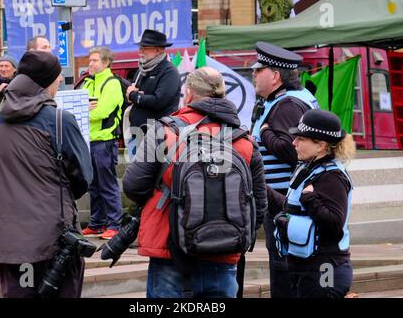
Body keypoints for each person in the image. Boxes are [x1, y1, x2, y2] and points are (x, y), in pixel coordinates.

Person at [123, 67, 267, 298]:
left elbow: (133, 185)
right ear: (222, 94)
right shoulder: (244, 140)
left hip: (169, 245)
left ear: (188, 94)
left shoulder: (165, 132)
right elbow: (259, 203)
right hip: (224, 247)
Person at [0, 51, 93, 298]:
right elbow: (83, 177)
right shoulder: (59, 121)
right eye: (57, 79)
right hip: (53, 236)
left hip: (10, 236)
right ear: (48, 82)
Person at [250, 41, 319, 298]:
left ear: (276, 76)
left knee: (284, 273)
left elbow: (297, 154)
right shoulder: (286, 101)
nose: (253, 74)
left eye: (259, 70)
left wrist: (265, 134)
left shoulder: (288, 105)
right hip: (283, 202)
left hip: (282, 203)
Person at [268, 109, 355, 298]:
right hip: (305, 268)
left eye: (300, 138)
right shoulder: (310, 168)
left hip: (325, 269)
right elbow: (292, 208)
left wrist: (310, 199)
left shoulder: (331, 177)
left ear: (320, 145)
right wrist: (261, 189)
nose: (294, 143)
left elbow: (333, 224)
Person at [80, 47, 123, 240]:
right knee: (93, 185)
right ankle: (97, 223)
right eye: (89, 60)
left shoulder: (112, 83)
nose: (90, 64)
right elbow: (77, 104)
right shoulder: (88, 82)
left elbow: (102, 111)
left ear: (105, 63)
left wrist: (83, 111)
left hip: (105, 141)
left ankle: (115, 224)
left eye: (95, 61)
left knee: (107, 184)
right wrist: (84, 108)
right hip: (89, 141)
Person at [125, 29, 181, 156]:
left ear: (158, 50)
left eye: (145, 48)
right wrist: (133, 96)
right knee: (135, 173)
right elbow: (134, 94)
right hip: (137, 133)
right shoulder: (141, 70)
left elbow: (158, 101)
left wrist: (134, 96)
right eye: (140, 47)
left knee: (152, 174)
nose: (140, 51)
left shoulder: (169, 72)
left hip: (158, 134)